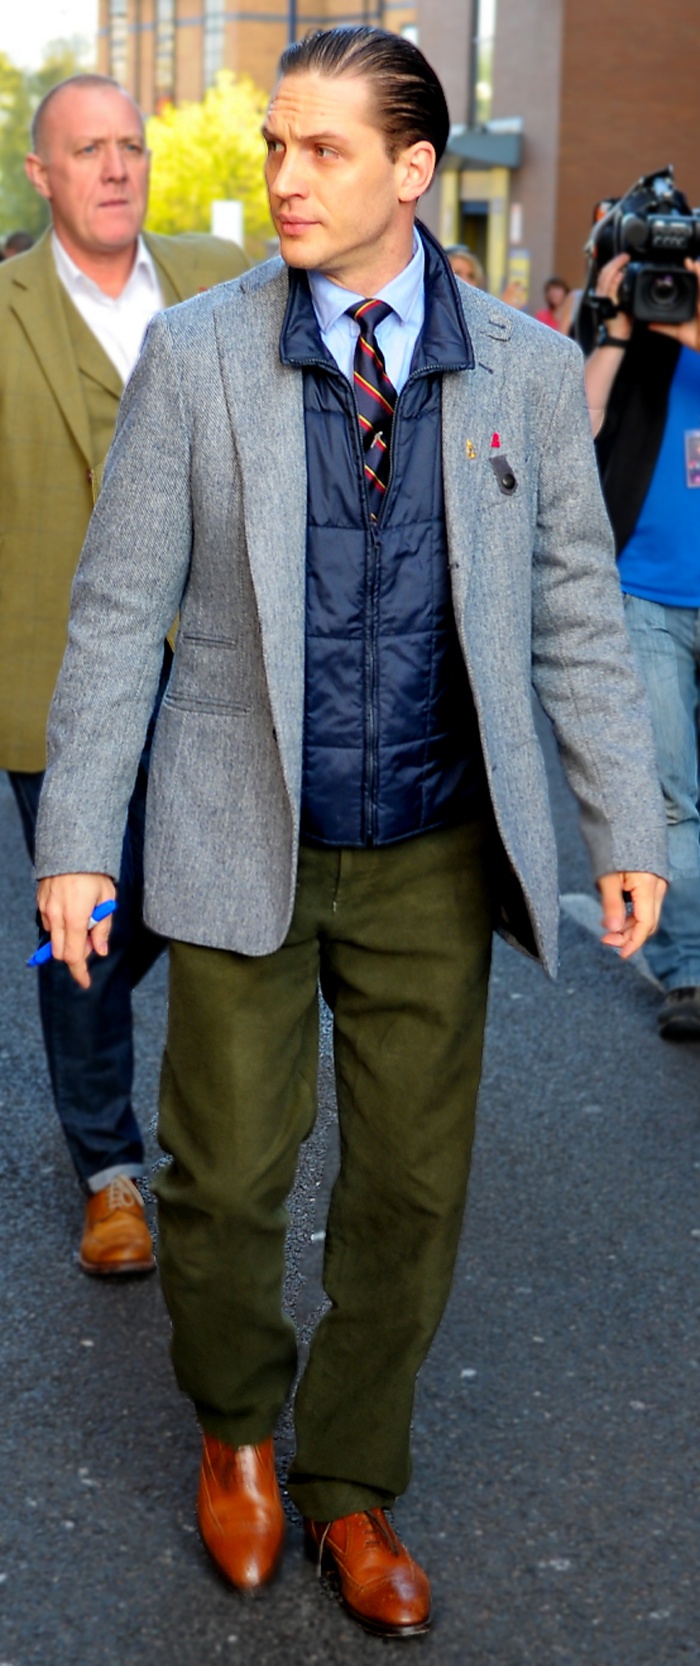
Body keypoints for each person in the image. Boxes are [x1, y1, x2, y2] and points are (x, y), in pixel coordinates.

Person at [35, 26, 666, 1638]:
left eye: (322, 149)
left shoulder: (526, 368)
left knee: (410, 1188)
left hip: (435, 848)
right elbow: (114, 611)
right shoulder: (198, 352)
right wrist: (77, 840)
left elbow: (576, 610)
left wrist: (624, 817)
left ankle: (350, 1476)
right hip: (237, 829)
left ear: (414, 169)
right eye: (274, 145)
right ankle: (239, 1426)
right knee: (226, 1181)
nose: (284, 178)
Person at [0, 74, 247, 1276]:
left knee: (187, 909)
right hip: (53, 677)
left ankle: (216, 1148)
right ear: (40, 174)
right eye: (87, 149)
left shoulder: (222, 282)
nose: (115, 167)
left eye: (131, 147)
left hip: (215, 670)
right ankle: (111, 1173)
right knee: (87, 917)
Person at [585, 247, 700, 1038]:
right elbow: (575, 426)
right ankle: (689, 970)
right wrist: (619, 328)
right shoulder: (632, 338)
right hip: (647, 594)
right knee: (668, 794)